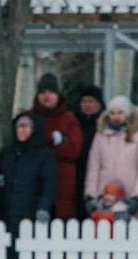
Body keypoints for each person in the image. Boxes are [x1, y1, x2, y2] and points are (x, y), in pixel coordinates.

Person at [84, 96, 138, 220]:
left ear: (128, 114)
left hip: (130, 195)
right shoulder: (101, 136)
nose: (116, 116)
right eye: (112, 113)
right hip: (104, 196)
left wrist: (137, 196)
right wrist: (90, 195)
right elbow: (93, 168)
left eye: (120, 112)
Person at [31, 73, 83, 219]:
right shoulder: (30, 117)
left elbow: (74, 150)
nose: (46, 96)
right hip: (35, 181)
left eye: (51, 92)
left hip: (63, 184)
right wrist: (54, 140)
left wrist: (50, 145)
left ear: (58, 95)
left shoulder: (69, 119)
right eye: (42, 92)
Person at [0, 112, 57, 225]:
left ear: (35, 129)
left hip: (32, 214)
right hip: (6, 214)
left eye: (26, 126)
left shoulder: (44, 154)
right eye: (19, 126)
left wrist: (43, 207)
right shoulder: (7, 153)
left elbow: (49, 185)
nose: (22, 130)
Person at [73, 84, 105, 208]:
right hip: (77, 176)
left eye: (90, 101)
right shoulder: (74, 123)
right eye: (84, 101)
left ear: (99, 103)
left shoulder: (104, 126)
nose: (87, 105)